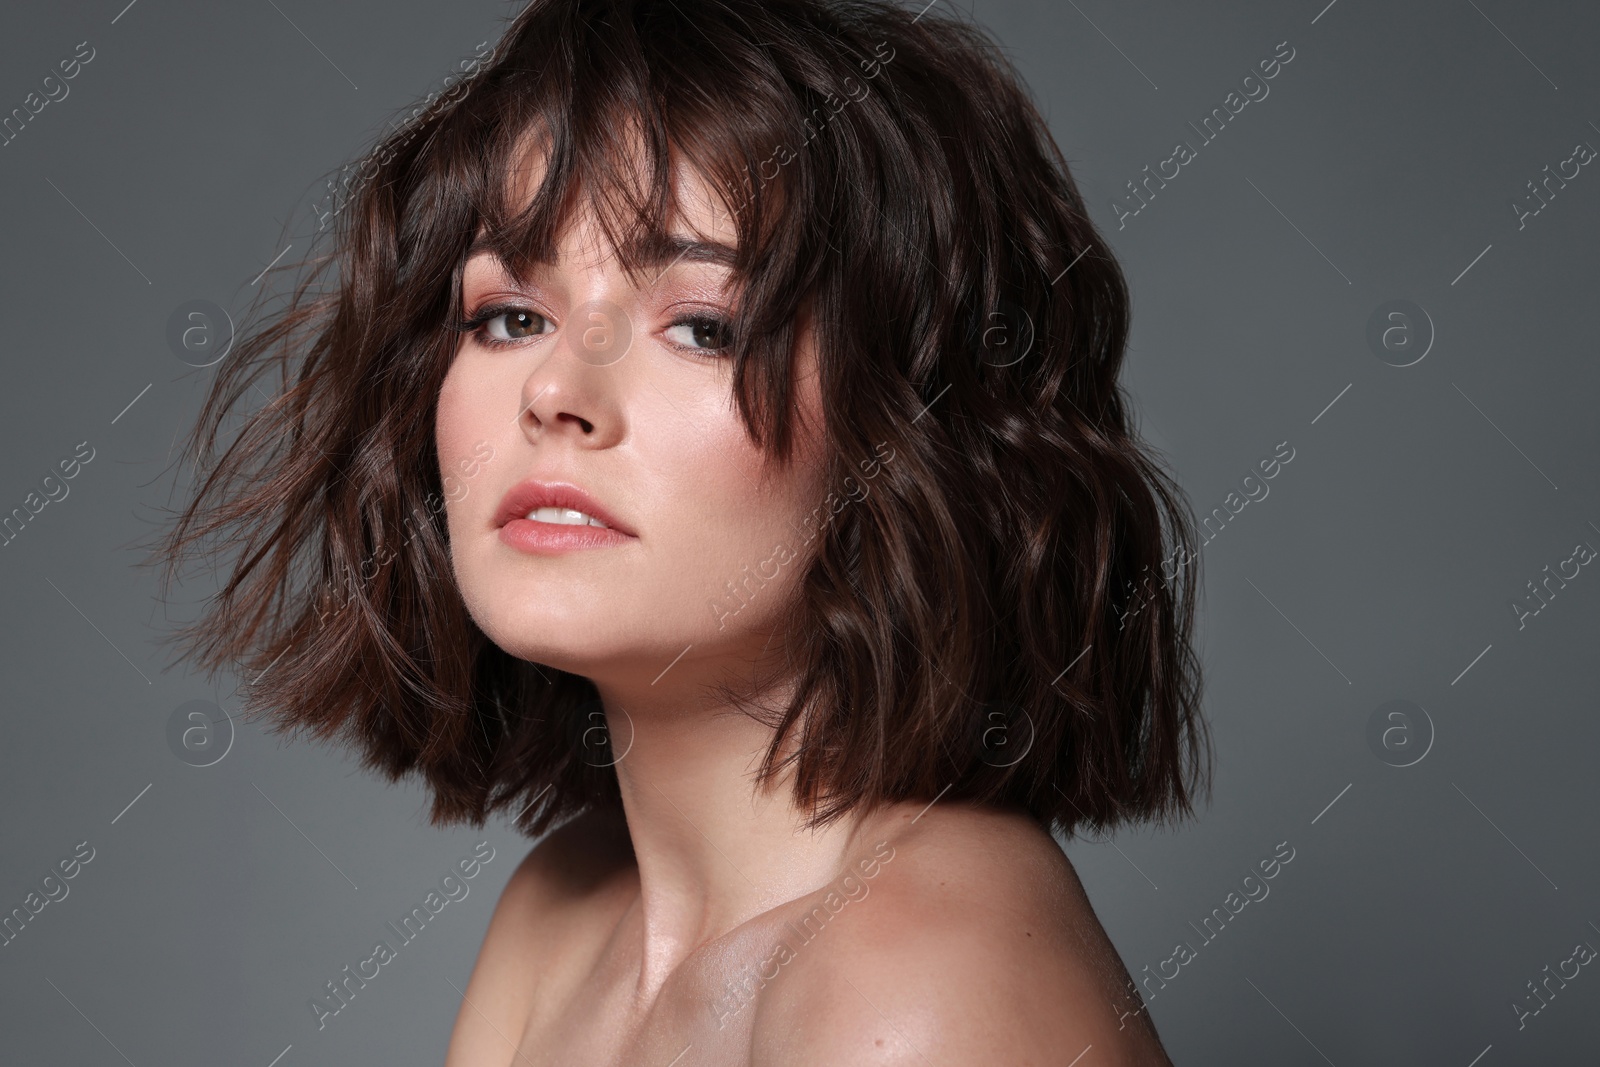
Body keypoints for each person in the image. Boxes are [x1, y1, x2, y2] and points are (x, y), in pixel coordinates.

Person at [154, 0, 1211, 1062]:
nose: (556, 391)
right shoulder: (556, 920)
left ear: (911, 431)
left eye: (701, 326)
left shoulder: (922, 978)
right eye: (509, 316)